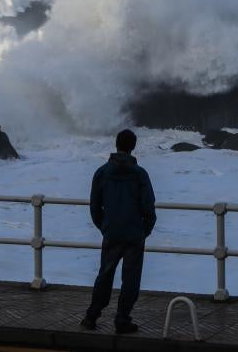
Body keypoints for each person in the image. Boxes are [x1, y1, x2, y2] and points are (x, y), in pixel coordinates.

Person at [80, 129, 156, 334]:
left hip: (111, 232)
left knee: (105, 275)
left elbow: (95, 206)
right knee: (130, 279)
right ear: (133, 146)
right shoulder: (140, 174)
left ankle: (91, 316)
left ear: (116, 144)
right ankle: (122, 319)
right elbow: (149, 207)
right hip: (134, 234)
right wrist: (143, 231)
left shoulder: (102, 172)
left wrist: (104, 227)